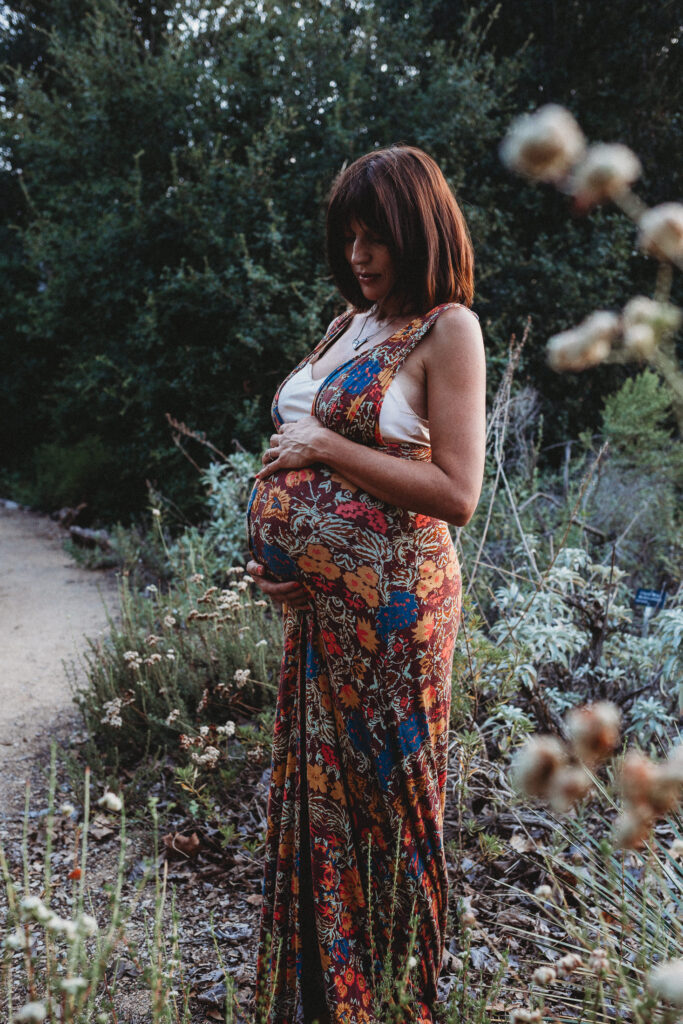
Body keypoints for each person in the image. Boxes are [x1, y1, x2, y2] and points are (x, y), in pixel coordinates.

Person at [245, 145, 486, 1024]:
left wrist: (323, 452)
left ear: (417, 229)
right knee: (318, 800)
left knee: (391, 807)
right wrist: (278, 562)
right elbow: (296, 462)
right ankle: (323, 1002)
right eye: (346, 236)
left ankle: (395, 1004)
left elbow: (457, 491)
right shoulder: (350, 323)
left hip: (397, 612)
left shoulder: (445, 327)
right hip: (321, 615)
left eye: (375, 233)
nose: (358, 254)